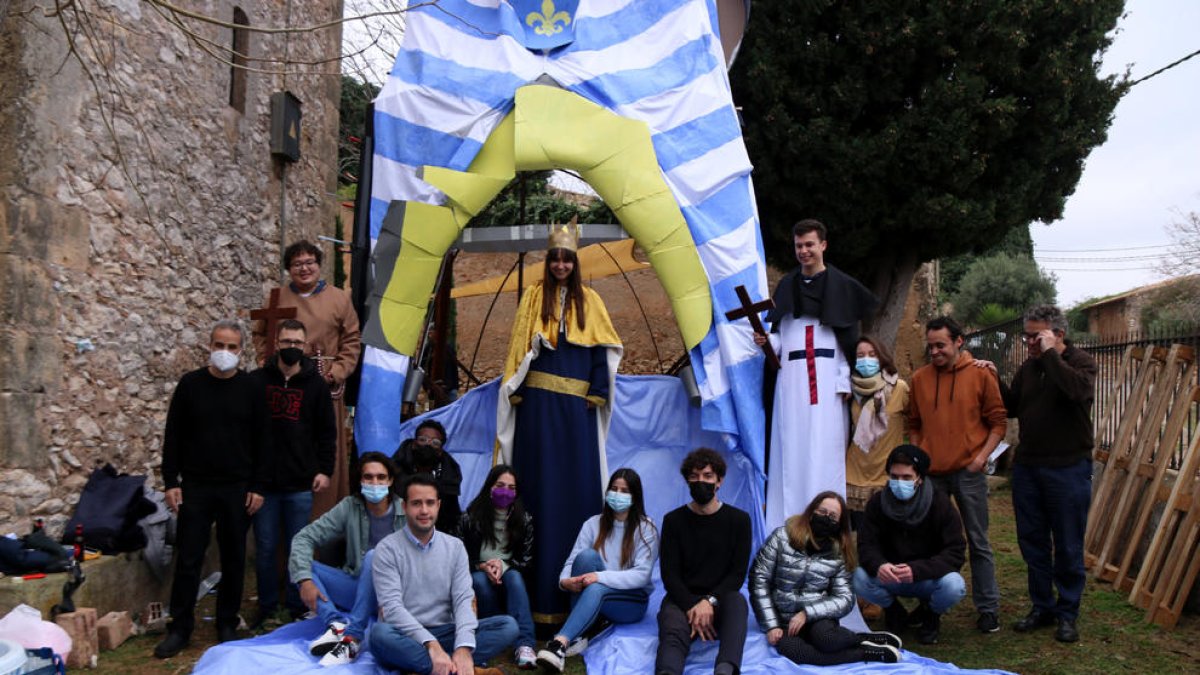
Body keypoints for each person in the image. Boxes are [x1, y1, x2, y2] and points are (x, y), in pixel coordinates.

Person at [496, 219, 622, 625]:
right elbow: (517, 349)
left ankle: (578, 605)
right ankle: (532, 606)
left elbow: (604, 351)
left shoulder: (592, 301)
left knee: (576, 494)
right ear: (548, 261)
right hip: (537, 412)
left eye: (568, 259)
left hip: (576, 416)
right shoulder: (532, 298)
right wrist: (527, 360)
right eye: (556, 259)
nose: (562, 265)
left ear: (575, 262)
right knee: (536, 494)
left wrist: (598, 392)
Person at [980, 305, 1096, 643]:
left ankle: (1068, 612)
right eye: (1027, 335)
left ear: (1057, 334)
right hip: (1029, 467)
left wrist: (1049, 356)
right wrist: (994, 378)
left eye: (1036, 335)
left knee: (1068, 542)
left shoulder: (1080, 363)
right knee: (1032, 541)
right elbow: (1014, 406)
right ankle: (1042, 606)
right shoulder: (1030, 367)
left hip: (1068, 468)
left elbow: (1077, 391)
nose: (1028, 341)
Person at [155, 320, 268, 658]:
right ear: (209, 345)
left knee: (234, 558)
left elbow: (264, 441)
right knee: (189, 557)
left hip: (237, 487)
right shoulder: (190, 385)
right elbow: (173, 435)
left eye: (232, 347)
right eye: (220, 344)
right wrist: (170, 481)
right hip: (196, 486)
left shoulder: (251, 389)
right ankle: (181, 627)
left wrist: (259, 486)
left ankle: (226, 622)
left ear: (241, 350)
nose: (225, 352)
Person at [756, 219, 879, 530]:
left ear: (823, 245)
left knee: (825, 450)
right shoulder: (786, 286)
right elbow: (782, 337)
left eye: (809, 244)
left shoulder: (841, 287)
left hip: (826, 384)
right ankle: (785, 526)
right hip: (791, 383)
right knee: (789, 448)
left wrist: (843, 381)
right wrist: (766, 342)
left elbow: (847, 344)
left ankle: (826, 522)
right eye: (799, 246)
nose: (804, 251)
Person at [907, 315, 1006, 633]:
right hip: (932, 476)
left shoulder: (980, 375)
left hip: (968, 472)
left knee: (978, 541)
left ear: (958, 341)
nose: (935, 351)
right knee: (931, 544)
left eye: (941, 345)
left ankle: (988, 608)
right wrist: (918, 456)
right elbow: (914, 423)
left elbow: (998, 423)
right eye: (931, 345)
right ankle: (930, 609)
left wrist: (980, 458)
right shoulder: (920, 379)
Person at [252, 239, 361, 519]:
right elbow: (261, 334)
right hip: (284, 386)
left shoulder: (339, 298)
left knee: (324, 448)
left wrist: (335, 373)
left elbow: (351, 342)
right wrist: (268, 367)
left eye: (310, 262)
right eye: (297, 263)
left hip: (323, 386)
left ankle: (322, 535)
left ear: (318, 264)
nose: (304, 268)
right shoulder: (277, 297)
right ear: (289, 269)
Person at [369, 474, 518, 675]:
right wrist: (431, 645)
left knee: (507, 626)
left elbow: (463, 599)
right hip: (405, 634)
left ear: (438, 505)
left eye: (430, 503)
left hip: (446, 631)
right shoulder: (387, 549)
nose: (424, 510)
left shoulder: (455, 547)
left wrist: (463, 647)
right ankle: (461, 669)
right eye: (416, 503)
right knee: (380, 634)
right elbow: (392, 609)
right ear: (404, 507)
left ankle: (432, 667)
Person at [250, 318, 336, 626]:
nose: (292, 348)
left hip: (300, 482)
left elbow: (328, 433)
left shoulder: (316, 386)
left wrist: (325, 470)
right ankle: (267, 604)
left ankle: (298, 602)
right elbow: (246, 432)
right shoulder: (257, 381)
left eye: (297, 343)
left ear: (305, 345)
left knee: (298, 547)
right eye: (286, 342)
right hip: (265, 484)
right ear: (277, 343)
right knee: (266, 547)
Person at [750, 491, 902, 665]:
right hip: (782, 621)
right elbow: (758, 579)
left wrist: (808, 613)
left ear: (839, 524)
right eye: (821, 512)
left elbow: (845, 598)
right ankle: (864, 650)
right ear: (811, 511)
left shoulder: (839, 553)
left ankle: (857, 639)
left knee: (828, 640)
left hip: (818, 618)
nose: (825, 518)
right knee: (796, 653)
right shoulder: (781, 537)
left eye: (832, 516)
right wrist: (771, 624)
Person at [287, 452, 406, 666]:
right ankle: (336, 624)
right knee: (304, 568)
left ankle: (353, 638)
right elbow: (304, 538)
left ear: (390, 480)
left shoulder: (406, 510)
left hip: (393, 597)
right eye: (368, 477)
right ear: (360, 480)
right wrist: (304, 580)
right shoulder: (350, 506)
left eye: (381, 477)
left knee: (375, 555)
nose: (375, 482)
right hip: (357, 590)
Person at [537, 468, 660, 672]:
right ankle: (581, 634)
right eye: (614, 489)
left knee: (596, 588)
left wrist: (598, 577)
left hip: (632, 602)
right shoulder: (593, 524)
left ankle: (559, 644)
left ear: (635, 496)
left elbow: (642, 576)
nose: (617, 495)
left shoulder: (647, 528)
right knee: (586, 557)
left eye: (624, 491)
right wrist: (565, 581)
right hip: (598, 590)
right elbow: (573, 560)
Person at [853, 445, 967, 645]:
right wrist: (879, 565)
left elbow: (955, 551)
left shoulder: (940, 504)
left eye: (906, 477)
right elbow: (865, 544)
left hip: (926, 577)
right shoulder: (877, 503)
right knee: (859, 578)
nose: (899, 482)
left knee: (954, 585)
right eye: (894, 476)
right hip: (890, 575)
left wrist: (917, 569)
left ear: (919, 478)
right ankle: (893, 611)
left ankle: (930, 615)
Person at [655, 448, 752, 675]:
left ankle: (725, 670)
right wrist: (692, 605)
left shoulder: (739, 521)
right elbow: (669, 574)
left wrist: (709, 602)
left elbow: (737, 575)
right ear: (687, 481)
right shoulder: (673, 520)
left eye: (708, 476)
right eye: (694, 476)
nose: (701, 481)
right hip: (682, 601)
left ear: (719, 481)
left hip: (721, 600)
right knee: (671, 625)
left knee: (738, 603)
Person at [458, 465, 537, 669]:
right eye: (500, 485)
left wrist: (502, 564)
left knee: (515, 578)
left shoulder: (524, 519)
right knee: (478, 581)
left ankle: (525, 645)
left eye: (511, 487)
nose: (505, 491)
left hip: (509, 572)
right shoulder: (469, 517)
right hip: (478, 571)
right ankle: (490, 638)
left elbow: (526, 561)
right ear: (489, 486)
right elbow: (457, 557)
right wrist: (483, 565)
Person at [845, 336, 910, 523]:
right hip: (855, 476)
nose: (866, 360)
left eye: (872, 355)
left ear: (882, 357)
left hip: (886, 476)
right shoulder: (850, 391)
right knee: (861, 537)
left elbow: (917, 420)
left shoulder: (900, 388)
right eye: (861, 355)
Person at [392, 420, 462, 534]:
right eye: (423, 440)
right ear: (414, 444)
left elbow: (451, 516)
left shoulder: (450, 474)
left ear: (440, 451)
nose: (428, 444)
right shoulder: (395, 468)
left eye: (435, 442)